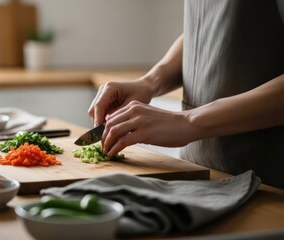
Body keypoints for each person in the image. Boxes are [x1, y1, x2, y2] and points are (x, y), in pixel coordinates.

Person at [88, 0, 284, 189]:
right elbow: (213, 29)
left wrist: (189, 121)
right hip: (199, 167)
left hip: (267, 177)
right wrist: (150, 82)